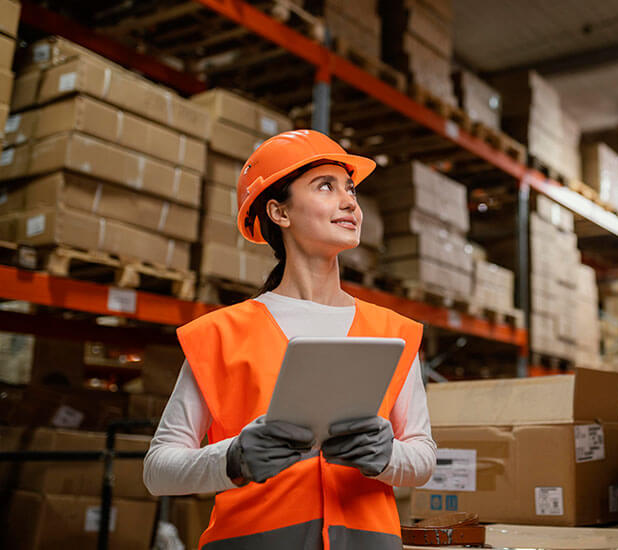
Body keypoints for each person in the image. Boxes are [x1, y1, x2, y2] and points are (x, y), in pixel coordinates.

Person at [143, 130, 437, 549]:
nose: (350, 201)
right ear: (279, 212)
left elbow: (423, 457)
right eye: (326, 186)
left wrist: (387, 455)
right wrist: (231, 459)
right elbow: (157, 470)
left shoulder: (393, 332)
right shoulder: (220, 335)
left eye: (350, 189)